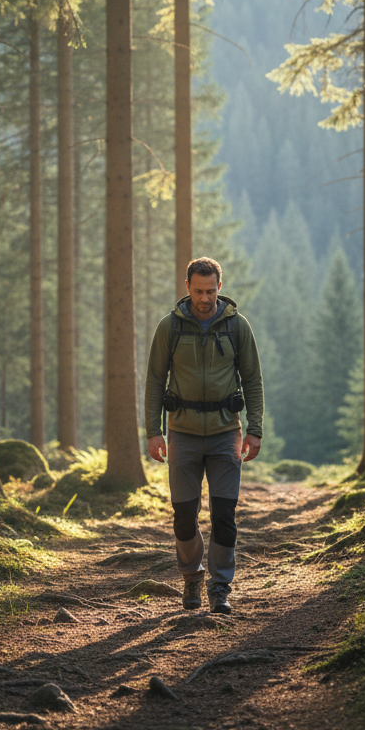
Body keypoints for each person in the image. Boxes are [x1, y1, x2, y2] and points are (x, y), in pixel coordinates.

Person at [145, 257, 264, 614]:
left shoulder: (237, 327)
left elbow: (253, 380)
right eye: (198, 291)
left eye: (210, 291)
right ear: (187, 288)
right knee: (184, 516)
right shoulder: (170, 327)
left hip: (226, 431)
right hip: (182, 432)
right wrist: (153, 431)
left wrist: (255, 429)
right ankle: (192, 577)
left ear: (220, 288)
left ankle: (220, 587)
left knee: (224, 515)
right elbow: (154, 380)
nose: (204, 298)